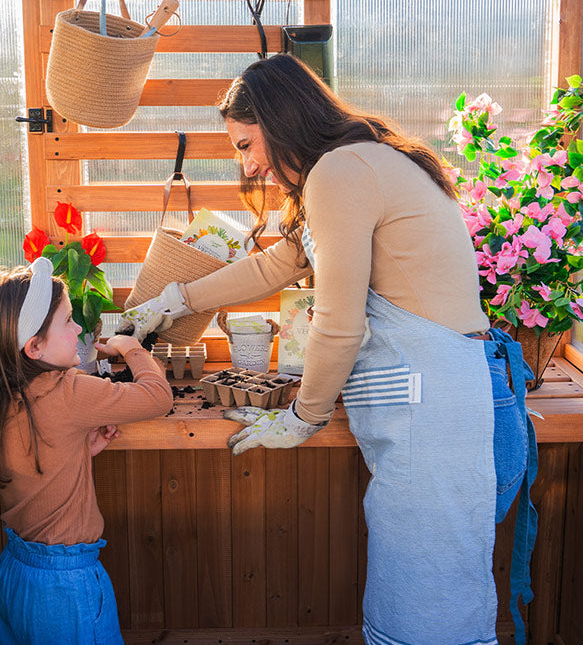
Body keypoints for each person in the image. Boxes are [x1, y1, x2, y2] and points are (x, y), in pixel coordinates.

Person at [121, 54, 540, 645]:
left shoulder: (340, 172)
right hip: (444, 399)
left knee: (428, 614)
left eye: (246, 145)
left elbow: (339, 322)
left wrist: (303, 417)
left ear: (280, 119)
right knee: (432, 597)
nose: (248, 165)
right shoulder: (356, 163)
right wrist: (175, 298)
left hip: (437, 409)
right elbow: (279, 263)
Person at [0, 258, 175, 644]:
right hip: (66, 590)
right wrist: (131, 349)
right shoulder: (68, 390)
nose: (78, 328)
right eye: (68, 320)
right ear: (34, 346)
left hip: (15, 574)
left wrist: (78, 451)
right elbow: (158, 397)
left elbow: (31, 463)